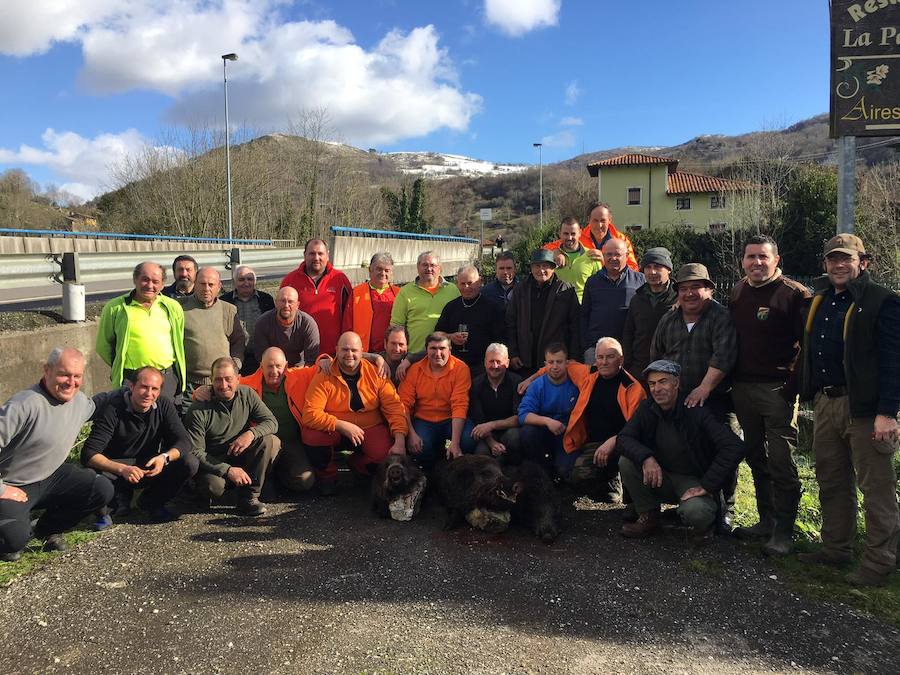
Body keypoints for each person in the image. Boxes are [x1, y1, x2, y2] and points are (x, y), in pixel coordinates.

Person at [795, 234, 900, 587]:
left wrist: (888, 412)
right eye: (833, 259)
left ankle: (878, 563)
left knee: (876, 489)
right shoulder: (821, 299)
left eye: (847, 259)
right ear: (825, 264)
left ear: (863, 263)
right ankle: (836, 548)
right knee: (831, 480)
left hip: (866, 411)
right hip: (826, 402)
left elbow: (893, 361)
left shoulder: (882, 301)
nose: (839, 265)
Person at [729, 235, 811, 555]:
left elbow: (808, 345)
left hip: (777, 390)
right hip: (743, 387)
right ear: (743, 261)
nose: (757, 263)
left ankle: (784, 532)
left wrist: (794, 386)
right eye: (751, 257)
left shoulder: (793, 294)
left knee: (781, 460)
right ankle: (766, 520)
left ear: (776, 260)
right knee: (756, 456)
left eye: (763, 257)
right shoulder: (738, 292)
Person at [0, 348, 114, 562]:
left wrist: (132, 391)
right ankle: (17, 531)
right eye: (64, 374)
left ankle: (47, 529)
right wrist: (2, 489)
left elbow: (100, 401)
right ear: (47, 370)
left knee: (101, 489)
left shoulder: (79, 402)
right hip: (13, 484)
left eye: (77, 376)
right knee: (13, 543)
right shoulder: (23, 404)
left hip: (50, 477)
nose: (71, 382)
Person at [617, 360, 745, 544]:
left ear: (676, 383)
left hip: (692, 481)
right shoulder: (647, 408)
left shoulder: (696, 412)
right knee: (626, 462)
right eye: (652, 384)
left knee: (697, 514)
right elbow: (623, 438)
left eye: (663, 382)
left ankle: (704, 524)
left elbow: (734, 446)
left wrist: (708, 485)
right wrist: (647, 458)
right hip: (661, 477)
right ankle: (649, 516)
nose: (656, 389)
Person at [81, 366, 197, 525]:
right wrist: (122, 469)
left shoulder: (163, 405)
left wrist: (164, 458)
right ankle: (107, 509)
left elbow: (184, 441)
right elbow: (89, 453)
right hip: (115, 467)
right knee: (89, 475)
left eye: (154, 389)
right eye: (144, 387)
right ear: (131, 386)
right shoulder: (112, 408)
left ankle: (152, 502)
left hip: (147, 465)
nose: (149, 394)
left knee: (189, 462)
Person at [303, 332, 408, 494]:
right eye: (344, 349)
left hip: (369, 426)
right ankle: (328, 477)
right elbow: (310, 414)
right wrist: (340, 425)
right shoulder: (324, 373)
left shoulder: (376, 372)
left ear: (362, 351)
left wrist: (400, 439)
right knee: (312, 435)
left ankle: (358, 464)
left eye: (354, 350)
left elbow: (394, 407)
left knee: (385, 459)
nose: (349, 354)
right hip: (334, 429)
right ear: (336, 350)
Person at [184, 357, 280, 517]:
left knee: (269, 440)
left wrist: (251, 433)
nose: (223, 385)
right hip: (214, 461)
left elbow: (271, 422)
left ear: (238, 379)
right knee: (212, 488)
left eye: (228, 379)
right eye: (218, 380)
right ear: (211, 381)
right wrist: (227, 470)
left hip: (241, 454)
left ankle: (250, 497)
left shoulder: (247, 394)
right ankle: (232, 491)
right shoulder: (198, 409)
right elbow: (195, 451)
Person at [650, 263, 737, 423]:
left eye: (695, 287)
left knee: (726, 444)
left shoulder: (722, 317)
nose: (689, 293)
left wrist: (704, 388)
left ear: (709, 290)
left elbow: (724, 357)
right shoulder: (668, 320)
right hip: (676, 402)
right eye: (683, 289)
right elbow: (656, 358)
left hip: (715, 401)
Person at [96, 261, 187, 402]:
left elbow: (178, 340)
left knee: (163, 421)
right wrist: (120, 365)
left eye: (155, 281)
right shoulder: (115, 308)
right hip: (131, 379)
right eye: (145, 279)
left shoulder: (172, 307)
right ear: (135, 280)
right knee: (130, 421)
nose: (150, 285)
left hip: (166, 379)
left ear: (163, 284)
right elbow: (103, 345)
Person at [399, 332, 475, 471]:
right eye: (433, 348)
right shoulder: (415, 369)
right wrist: (411, 434)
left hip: (451, 418)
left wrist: (455, 443)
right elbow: (404, 404)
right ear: (426, 350)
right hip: (424, 419)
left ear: (450, 350)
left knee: (468, 440)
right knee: (420, 447)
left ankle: (459, 469)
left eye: (442, 348)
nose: (437, 353)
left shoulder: (461, 368)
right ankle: (432, 471)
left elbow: (460, 404)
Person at [506, 249, 580, 377]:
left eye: (545, 266)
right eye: (537, 266)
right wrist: (513, 353)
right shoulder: (520, 290)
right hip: (525, 360)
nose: (541, 270)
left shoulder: (566, 290)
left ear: (553, 268)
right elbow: (510, 323)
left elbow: (575, 326)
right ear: (531, 268)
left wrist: (573, 357)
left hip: (555, 360)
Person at [179, 267, 247, 408]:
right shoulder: (180, 308)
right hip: (191, 384)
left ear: (219, 287)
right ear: (194, 284)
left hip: (222, 383)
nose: (206, 289)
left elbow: (238, 341)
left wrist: (235, 365)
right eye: (202, 284)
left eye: (211, 285)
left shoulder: (228, 310)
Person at [280, 238, 352, 356]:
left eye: (320, 253)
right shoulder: (290, 280)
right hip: (300, 354)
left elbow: (349, 315)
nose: (316, 258)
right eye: (312, 253)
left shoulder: (340, 279)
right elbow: (280, 316)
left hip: (333, 352)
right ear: (304, 255)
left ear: (327, 255)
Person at [518, 343, 580, 478]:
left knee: (563, 472)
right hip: (544, 432)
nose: (555, 367)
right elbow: (523, 415)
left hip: (568, 435)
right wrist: (547, 421)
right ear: (545, 364)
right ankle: (541, 470)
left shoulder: (576, 384)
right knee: (527, 432)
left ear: (567, 363)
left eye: (559, 362)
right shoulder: (537, 385)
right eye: (551, 362)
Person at [580, 238, 646, 363]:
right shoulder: (592, 282)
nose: (613, 258)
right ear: (603, 256)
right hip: (596, 349)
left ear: (626, 256)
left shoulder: (640, 281)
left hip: (627, 350)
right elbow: (584, 315)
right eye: (609, 254)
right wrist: (586, 345)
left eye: (617, 254)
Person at [434, 265, 505, 375]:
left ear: (479, 282)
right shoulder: (451, 307)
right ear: (457, 284)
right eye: (462, 284)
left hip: (483, 368)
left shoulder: (493, 308)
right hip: (454, 367)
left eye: (470, 283)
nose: (466, 287)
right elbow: (437, 334)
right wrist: (450, 337)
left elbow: (500, 340)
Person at [622, 247, 677, 384]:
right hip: (640, 369)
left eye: (658, 267)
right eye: (648, 267)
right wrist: (628, 364)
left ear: (668, 269)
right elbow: (629, 332)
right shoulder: (637, 299)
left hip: (670, 369)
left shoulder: (679, 298)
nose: (652, 272)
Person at [390, 251, 461, 353]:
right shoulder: (405, 292)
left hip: (445, 355)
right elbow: (396, 326)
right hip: (414, 355)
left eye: (432, 265)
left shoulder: (453, 290)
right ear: (418, 267)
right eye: (424, 265)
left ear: (440, 268)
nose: (429, 269)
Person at [468, 343, 523, 463]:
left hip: (509, 430)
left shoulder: (517, 382)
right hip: (487, 435)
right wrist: (492, 443)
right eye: (491, 361)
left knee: (515, 437)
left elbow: (519, 418)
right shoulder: (476, 384)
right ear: (484, 362)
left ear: (507, 363)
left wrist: (492, 425)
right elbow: (479, 420)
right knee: (481, 455)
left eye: (499, 361)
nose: (495, 366)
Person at [543, 202, 638, 271]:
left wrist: (607, 261)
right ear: (589, 219)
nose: (599, 225)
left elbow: (633, 269)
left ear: (610, 220)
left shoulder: (621, 240)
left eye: (603, 221)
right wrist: (555, 252)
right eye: (595, 220)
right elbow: (545, 250)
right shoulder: (579, 237)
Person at [221, 265, 275, 376]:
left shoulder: (266, 300)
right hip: (233, 358)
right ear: (234, 282)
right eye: (241, 279)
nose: (246, 283)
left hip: (260, 357)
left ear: (255, 281)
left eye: (250, 279)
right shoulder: (224, 301)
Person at [253, 287, 320, 368]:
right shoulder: (263, 322)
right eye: (282, 301)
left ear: (297, 305)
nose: (286, 305)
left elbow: (311, 361)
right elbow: (261, 358)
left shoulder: (307, 323)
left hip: (298, 368)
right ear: (276, 303)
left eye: (290, 301)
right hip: (272, 369)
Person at [351, 253, 400, 353]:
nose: (383, 273)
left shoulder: (399, 294)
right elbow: (347, 325)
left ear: (391, 272)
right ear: (370, 270)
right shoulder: (356, 293)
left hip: (392, 354)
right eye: (379, 269)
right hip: (363, 353)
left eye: (387, 270)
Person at [553, 217, 602, 303]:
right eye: (565, 234)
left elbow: (599, 287)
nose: (569, 237)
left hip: (582, 309)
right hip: (558, 309)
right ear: (559, 234)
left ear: (580, 233)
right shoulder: (552, 257)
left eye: (573, 234)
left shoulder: (592, 257)